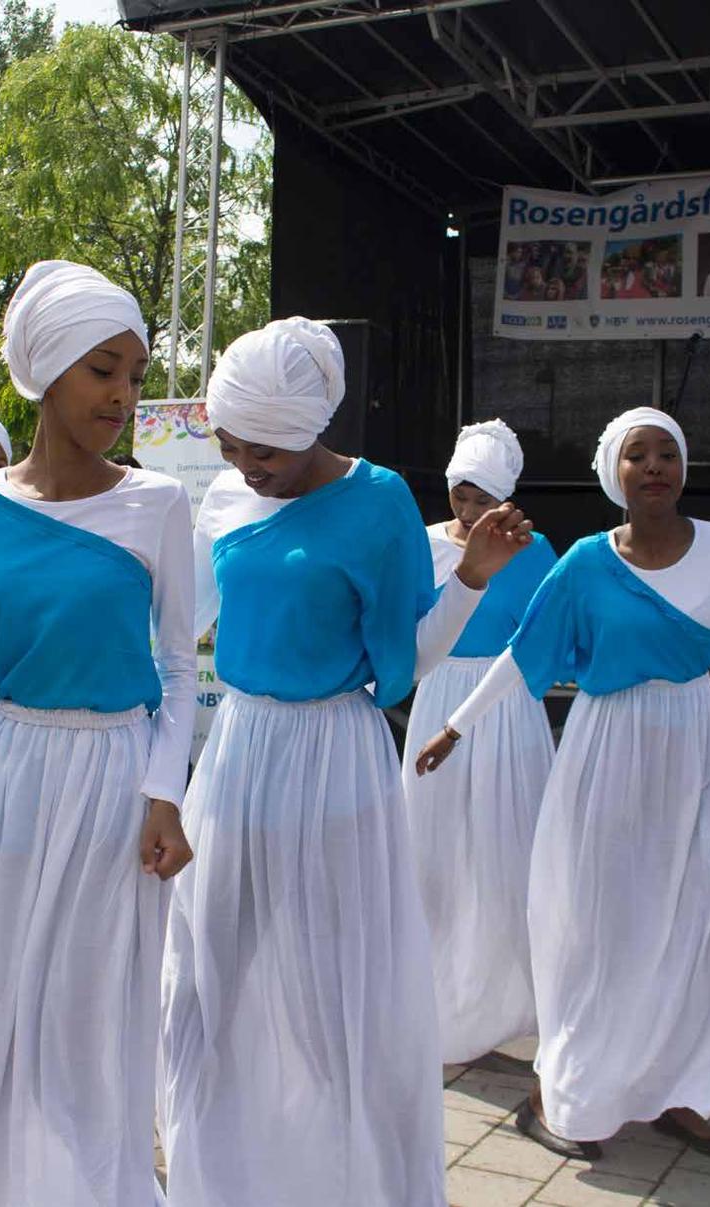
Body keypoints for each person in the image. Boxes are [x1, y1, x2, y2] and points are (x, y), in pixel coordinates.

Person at [159, 318, 533, 1207]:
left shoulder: (380, 502)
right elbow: (170, 637)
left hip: (337, 758)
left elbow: (406, 658)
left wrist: (472, 577)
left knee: (333, 987)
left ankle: (341, 1176)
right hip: (240, 754)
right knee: (213, 970)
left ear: (313, 429)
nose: (246, 463)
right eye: (230, 444)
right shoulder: (225, 501)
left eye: (267, 451)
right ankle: (222, 1171)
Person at [416, 406, 710, 1163]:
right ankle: (559, 1091)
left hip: (694, 742)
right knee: (598, 922)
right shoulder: (582, 560)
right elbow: (523, 653)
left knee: (696, 917)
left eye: (667, 453)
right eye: (637, 455)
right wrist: (458, 726)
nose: (654, 467)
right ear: (615, 473)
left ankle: (675, 1090)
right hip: (607, 745)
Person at [0, 260, 195, 1206]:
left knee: (87, 1021)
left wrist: (165, 793)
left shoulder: (157, 504)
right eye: (102, 370)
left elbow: (179, 667)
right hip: (7, 775)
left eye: (132, 374)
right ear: (45, 371)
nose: (122, 396)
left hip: (112, 785)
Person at [403, 419, 557, 1064]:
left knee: (503, 852)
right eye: (459, 495)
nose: (467, 511)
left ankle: (508, 1000)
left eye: (481, 498)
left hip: (503, 707)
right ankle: (429, 999)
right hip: (435, 697)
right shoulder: (425, 544)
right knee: (430, 851)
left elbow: (540, 639)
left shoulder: (534, 550)